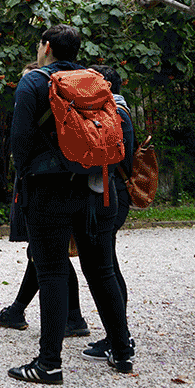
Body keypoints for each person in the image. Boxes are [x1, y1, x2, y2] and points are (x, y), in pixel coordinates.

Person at [8, 25, 133, 384]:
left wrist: (26, 177)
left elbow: (20, 141)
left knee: (51, 272)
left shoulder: (34, 83)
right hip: (97, 187)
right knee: (102, 269)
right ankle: (122, 351)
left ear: (46, 47)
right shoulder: (94, 81)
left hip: (49, 189)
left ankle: (49, 364)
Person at [0, 62, 89, 338]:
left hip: (43, 180)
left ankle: (59, 325)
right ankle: (62, 317)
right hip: (62, 179)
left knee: (46, 254)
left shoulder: (40, 103)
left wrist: (24, 171)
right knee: (46, 254)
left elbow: (19, 143)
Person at [82, 65, 136, 362]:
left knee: (106, 267)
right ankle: (118, 335)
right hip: (111, 192)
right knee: (107, 264)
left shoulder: (117, 113)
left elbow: (119, 157)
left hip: (112, 192)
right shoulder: (116, 110)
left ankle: (120, 337)